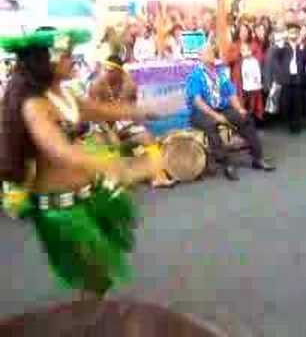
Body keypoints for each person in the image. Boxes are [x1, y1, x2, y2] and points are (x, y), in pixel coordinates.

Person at [0, 28, 162, 298]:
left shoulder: (64, 95)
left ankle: (91, 318)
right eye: (66, 55)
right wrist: (121, 167)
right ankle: (89, 324)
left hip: (88, 196)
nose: (73, 59)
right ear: (46, 61)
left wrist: (144, 110)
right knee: (93, 275)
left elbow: (104, 110)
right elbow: (61, 151)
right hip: (61, 211)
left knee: (99, 278)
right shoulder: (34, 106)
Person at [185, 43, 275, 181]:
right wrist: (216, 116)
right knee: (211, 124)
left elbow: (231, 94)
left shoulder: (220, 74)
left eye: (212, 52)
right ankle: (226, 163)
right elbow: (197, 101)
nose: (211, 55)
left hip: (221, 107)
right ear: (200, 57)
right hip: (200, 112)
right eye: (207, 53)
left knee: (244, 118)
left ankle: (258, 158)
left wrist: (239, 108)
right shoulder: (195, 76)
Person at [89, 55, 175, 188]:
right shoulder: (96, 86)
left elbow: (131, 111)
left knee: (148, 138)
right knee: (99, 141)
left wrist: (139, 120)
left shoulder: (130, 86)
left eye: (110, 70)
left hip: (124, 124)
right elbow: (94, 115)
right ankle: (111, 180)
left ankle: (159, 176)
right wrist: (109, 131)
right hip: (103, 126)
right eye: (105, 69)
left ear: (120, 71)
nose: (106, 73)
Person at [274, 22, 306, 133]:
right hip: (286, 77)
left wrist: (301, 47)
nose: (293, 35)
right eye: (291, 33)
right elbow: (277, 54)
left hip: (298, 77)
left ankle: (297, 124)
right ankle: (289, 122)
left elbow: (305, 59)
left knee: (297, 102)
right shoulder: (283, 45)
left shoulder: (301, 46)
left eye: (295, 33)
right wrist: (283, 41)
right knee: (287, 101)